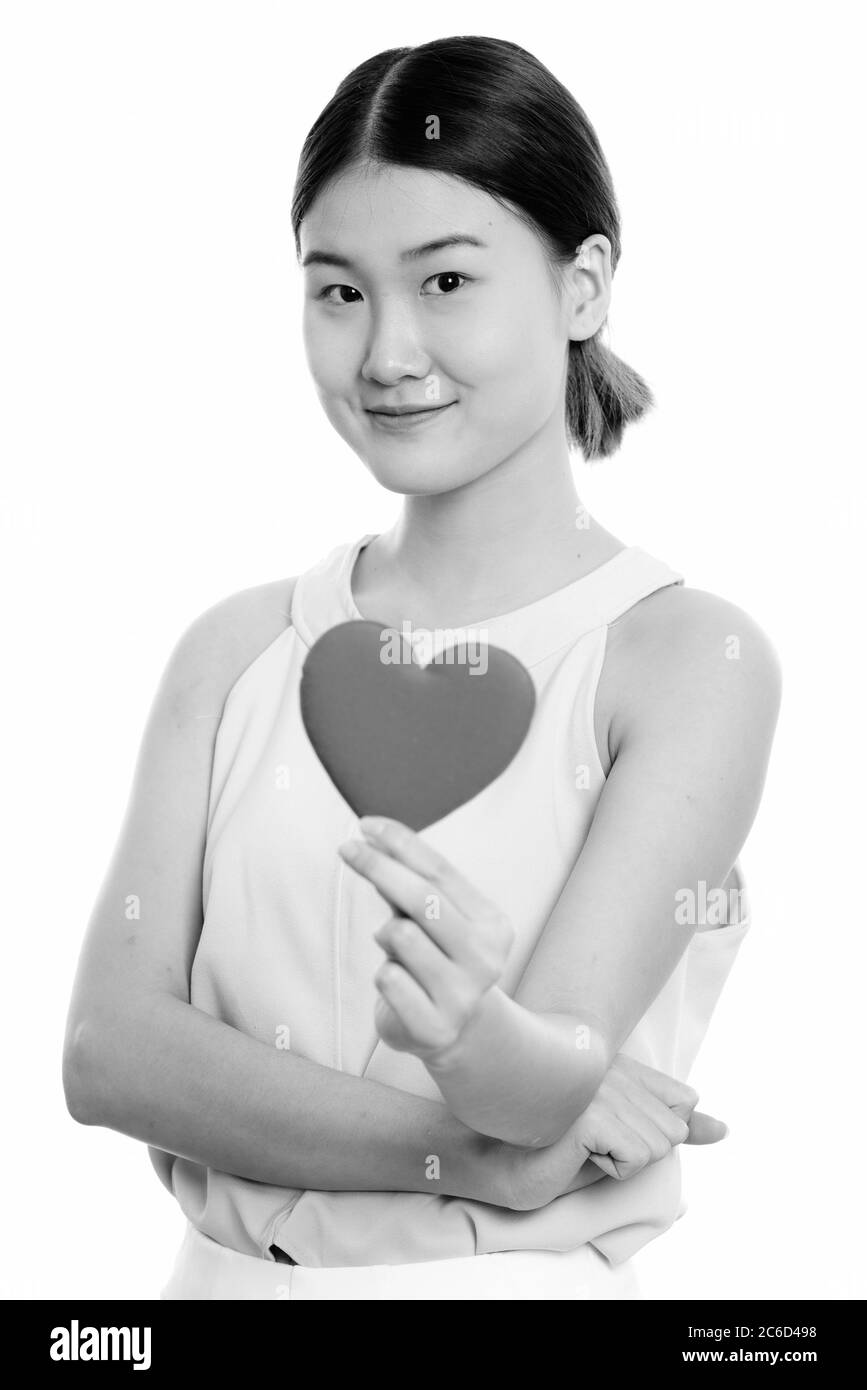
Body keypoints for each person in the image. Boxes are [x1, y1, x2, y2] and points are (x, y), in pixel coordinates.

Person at [62, 35, 781, 1300]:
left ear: (583, 286)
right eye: (339, 291)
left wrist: (486, 1045)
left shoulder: (686, 663)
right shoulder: (236, 649)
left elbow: (536, 1085)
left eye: (447, 281)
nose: (387, 352)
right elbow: (108, 1053)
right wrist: (468, 1145)